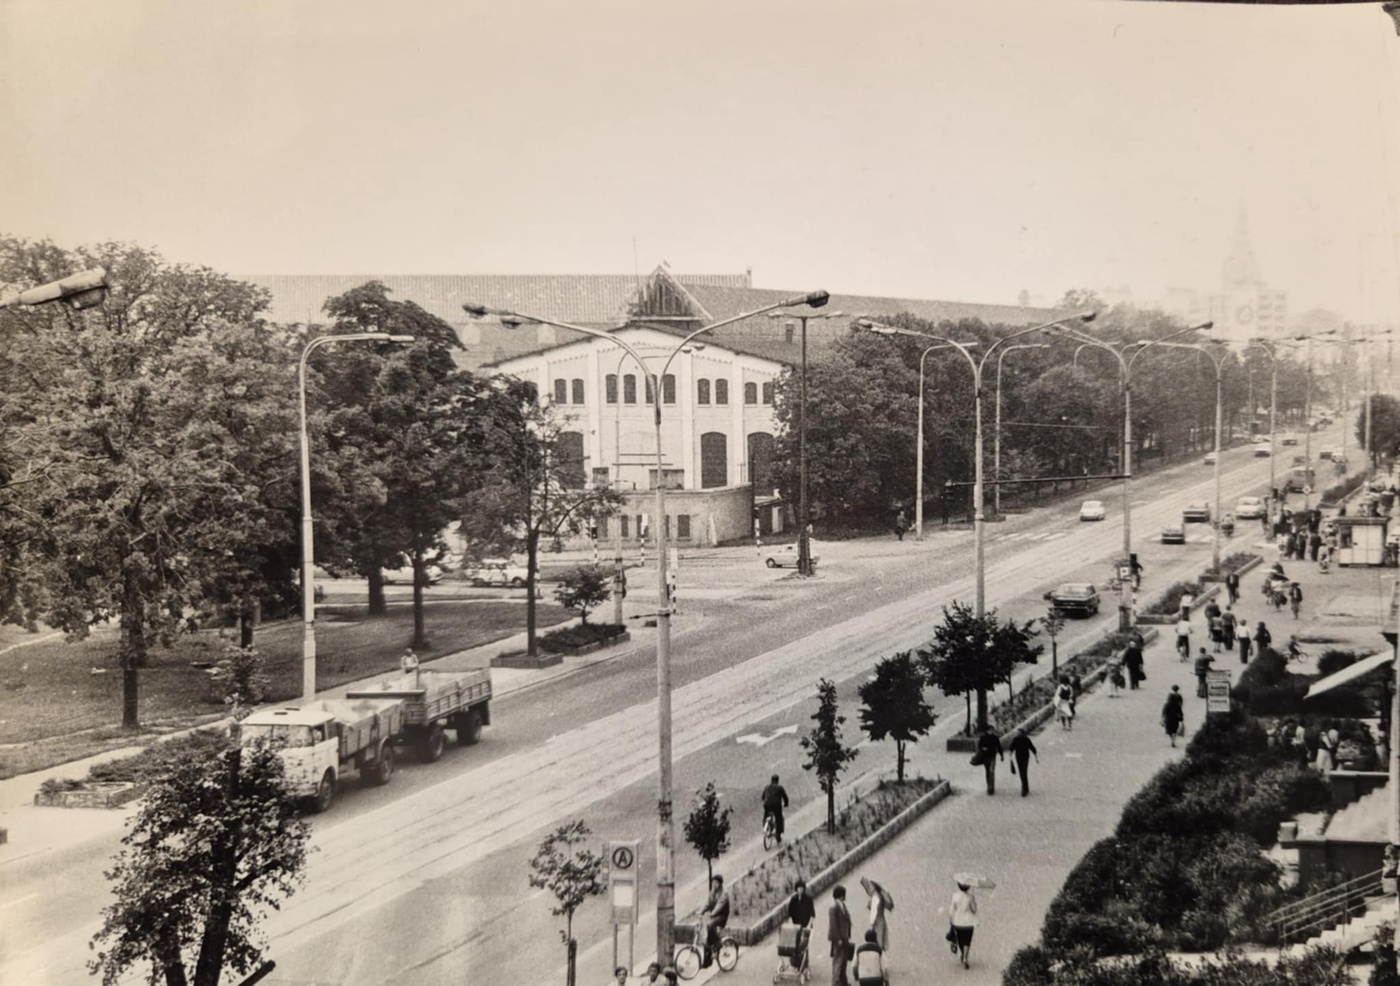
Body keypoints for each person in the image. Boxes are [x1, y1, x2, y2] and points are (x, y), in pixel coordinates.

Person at [700, 875, 730, 968]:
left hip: (722, 916)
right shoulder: (713, 891)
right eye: (713, 883)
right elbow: (707, 902)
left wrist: (712, 914)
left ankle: (718, 944)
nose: (714, 885)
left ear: (720, 884)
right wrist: (701, 912)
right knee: (706, 939)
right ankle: (707, 961)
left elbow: (719, 906)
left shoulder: (724, 893)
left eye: (716, 883)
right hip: (714, 916)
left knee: (709, 925)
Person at [949, 881, 978, 970]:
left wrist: (951, 921)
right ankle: (965, 957)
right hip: (969, 922)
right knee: (967, 941)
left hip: (958, 922)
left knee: (961, 940)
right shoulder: (970, 897)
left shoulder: (955, 896)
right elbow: (974, 910)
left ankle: (962, 954)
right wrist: (974, 902)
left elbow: (951, 910)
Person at [787, 880, 816, 969]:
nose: (800, 890)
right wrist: (791, 922)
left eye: (802, 888)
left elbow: (812, 914)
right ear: (796, 889)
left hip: (804, 925)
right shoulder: (793, 899)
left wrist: (810, 924)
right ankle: (794, 962)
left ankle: (804, 963)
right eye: (798, 888)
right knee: (794, 944)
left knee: (804, 945)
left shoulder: (808, 900)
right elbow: (790, 914)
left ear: (804, 889)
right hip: (795, 926)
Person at [828, 884, 852, 986]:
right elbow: (833, 925)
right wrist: (838, 939)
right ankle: (836, 983)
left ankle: (843, 981)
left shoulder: (841, 905)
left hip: (844, 937)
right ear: (841, 895)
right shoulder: (833, 907)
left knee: (843, 961)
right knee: (838, 961)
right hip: (839, 939)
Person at [1008, 727, 1039, 797]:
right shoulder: (1017, 739)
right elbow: (1011, 748)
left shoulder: (1024, 739)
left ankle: (1023, 789)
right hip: (1020, 757)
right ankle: (1026, 787)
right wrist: (1010, 755)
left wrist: (1035, 756)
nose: (1017, 733)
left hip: (1024, 757)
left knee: (1023, 772)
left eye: (1018, 732)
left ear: (1021, 733)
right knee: (1022, 772)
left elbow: (1031, 747)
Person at [863, 878, 889, 953]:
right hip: (882, 919)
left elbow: (873, 912)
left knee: (878, 939)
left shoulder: (875, 897)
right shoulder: (879, 895)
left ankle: (877, 954)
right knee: (882, 938)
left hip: (877, 921)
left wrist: (871, 923)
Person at [762, 774, 790, 843]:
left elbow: (763, 797)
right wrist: (786, 804)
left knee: (766, 816)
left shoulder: (766, 787)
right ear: (778, 780)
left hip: (767, 805)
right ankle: (778, 833)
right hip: (776, 806)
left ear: (771, 780)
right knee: (779, 818)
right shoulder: (780, 787)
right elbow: (785, 797)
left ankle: (766, 825)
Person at [976, 724, 1004, 793]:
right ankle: (989, 786)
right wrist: (983, 749)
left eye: (992, 730)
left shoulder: (995, 738)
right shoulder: (983, 737)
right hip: (985, 757)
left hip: (992, 756)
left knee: (991, 771)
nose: (991, 731)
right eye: (990, 730)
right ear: (987, 731)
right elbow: (979, 746)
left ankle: (991, 788)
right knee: (987, 772)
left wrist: (1001, 755)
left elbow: (999, 747)